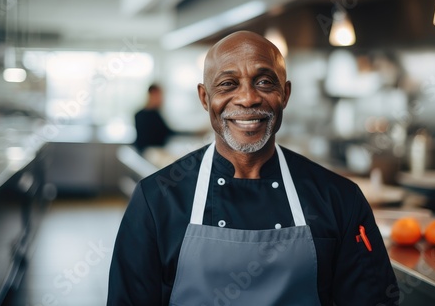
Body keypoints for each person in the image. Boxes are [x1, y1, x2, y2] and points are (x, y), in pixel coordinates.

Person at [108, 31, 399, 305]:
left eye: (264, 82)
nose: (248, 98)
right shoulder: (156, 199)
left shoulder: (339, 198)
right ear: (205, 98)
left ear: (284, 94)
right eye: (227, 84)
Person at [133, 83, 175, 153]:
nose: (161, 99)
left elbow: (167, 132)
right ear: (152, 94)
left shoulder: (156, 114)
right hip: (148, 151)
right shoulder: (141, 115)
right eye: (159, 95)